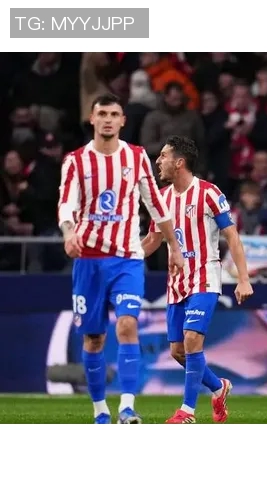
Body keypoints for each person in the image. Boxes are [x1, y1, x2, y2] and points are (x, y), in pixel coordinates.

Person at [58, 93, 184, 424]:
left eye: (114, 114)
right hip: (88, 260)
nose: (108, 119)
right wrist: (69, 233)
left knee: (127, 325)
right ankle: (100, 410)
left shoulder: (137, 156)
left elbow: (155, 205)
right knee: (94, 338)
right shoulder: (76, 161)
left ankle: (127, 408)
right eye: (102, 114)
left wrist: (174, 247)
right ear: (92, 118)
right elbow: (66, 205)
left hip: (127, 258)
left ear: (123, 120)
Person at [141, 135, 254, 424]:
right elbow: (153, 240)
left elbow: (232, 236)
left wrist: (243, 278)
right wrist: (122, 259)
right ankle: (218, 387)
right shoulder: (161, 199)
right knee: (178, 351)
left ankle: (187, 411)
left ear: (179, 162)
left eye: (163, 156)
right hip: (176, 282)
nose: (158, 161)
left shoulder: (208, 193)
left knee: (192, 340)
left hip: (204, 277)